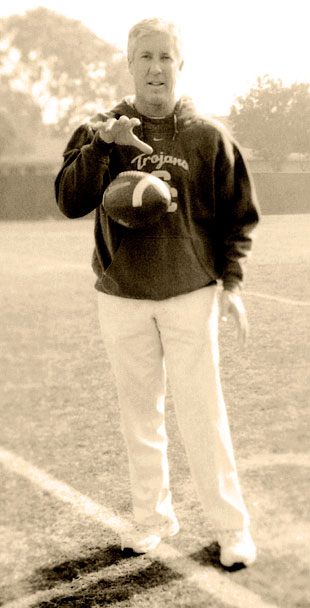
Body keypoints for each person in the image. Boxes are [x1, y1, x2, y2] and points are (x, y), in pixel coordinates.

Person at [55, 17, 260, 568]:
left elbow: (237, 217)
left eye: (165, 56)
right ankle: (152, 519)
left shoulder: (207, 136)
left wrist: (232, 284)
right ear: (129, 64)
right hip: (121, 295)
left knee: (203, 414)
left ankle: (231, 528)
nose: (155, 67)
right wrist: (102, 148)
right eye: (144, 56)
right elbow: (70, 201)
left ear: (180, 65)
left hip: (189, 293)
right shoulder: (98, 129)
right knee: (138, 415)